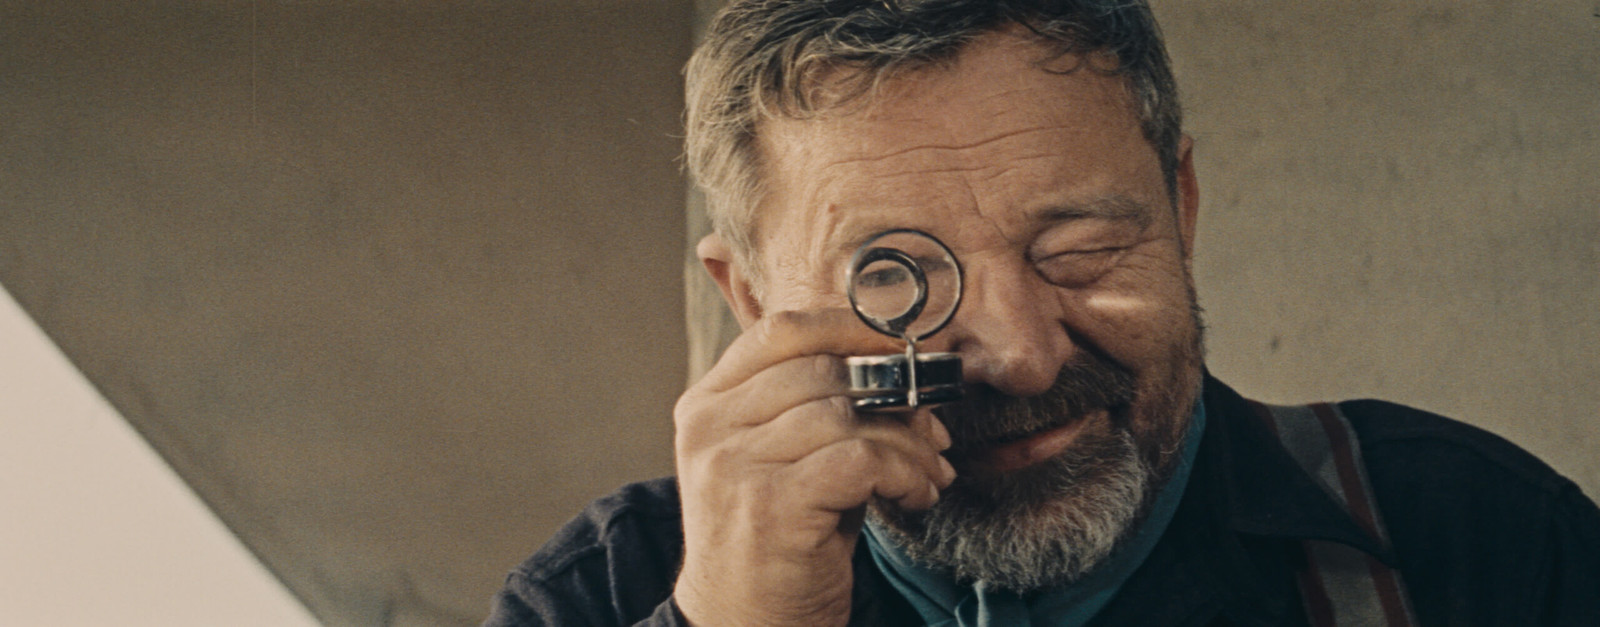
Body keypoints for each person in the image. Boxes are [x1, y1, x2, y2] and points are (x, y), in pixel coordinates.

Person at [485, 1, 1600, 625]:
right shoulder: (597, 596)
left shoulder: (1480, 543)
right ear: (750, 298)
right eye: (895, 277)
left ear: (1181, 207)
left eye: (1080, 250)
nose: (1019, 354)